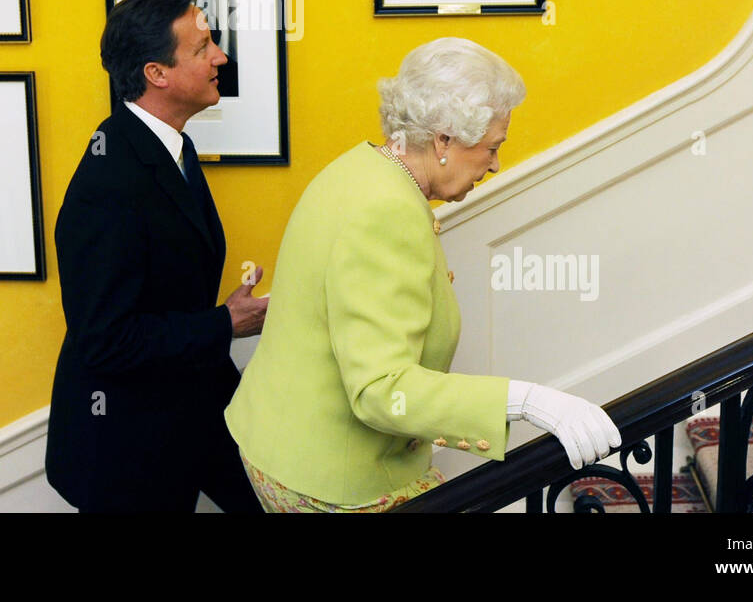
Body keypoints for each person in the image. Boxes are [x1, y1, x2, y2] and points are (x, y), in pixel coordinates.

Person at [225, 38, 620, 511]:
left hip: (280, 441)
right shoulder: (386, 210)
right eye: (493, 147)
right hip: (332, 475)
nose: (495, 165)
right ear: (444, 139)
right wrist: (526, 400)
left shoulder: (360, 166)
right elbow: (379, 391)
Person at [46, 0, 267, 512]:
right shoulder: (110, 178)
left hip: (188, 411)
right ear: (157, 74)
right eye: (203, 47)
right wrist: (223, 323)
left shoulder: (172, 146)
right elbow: (103, 340)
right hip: (124, 452)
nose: (221, 57)